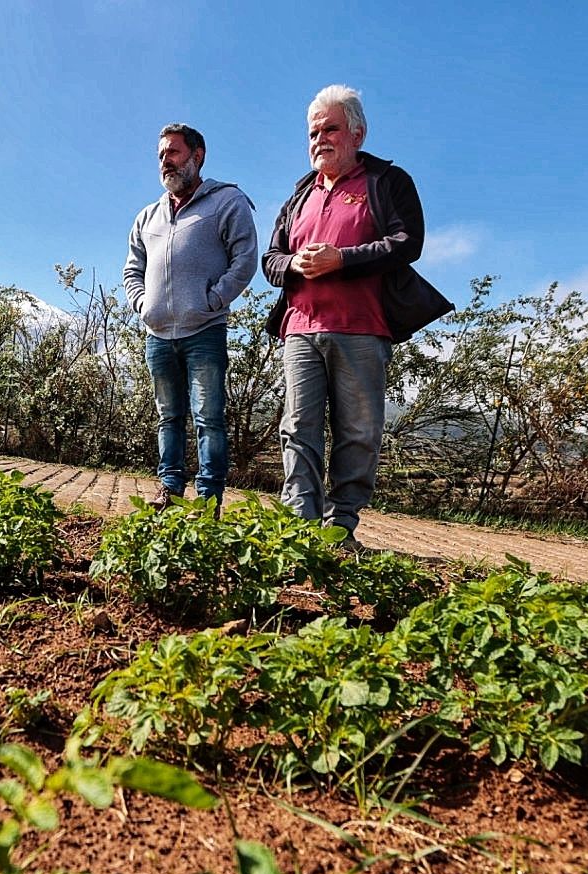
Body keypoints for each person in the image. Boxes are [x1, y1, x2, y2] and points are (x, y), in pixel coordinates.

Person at [262, 85, 452, 547]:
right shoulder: (299, 195)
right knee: (298, 428)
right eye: (313, 132)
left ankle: (340, 526)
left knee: (359, 433)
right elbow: (271, 259)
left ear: (358, 134)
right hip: (300, 328)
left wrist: (341, 260)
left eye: (331, 129)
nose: (319, 139)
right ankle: (299, 528)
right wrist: (294, 264)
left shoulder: (387, 181)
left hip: (363, 327)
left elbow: (408, 242)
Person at [124, 123, 258, 508]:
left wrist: (213, 301)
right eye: (161, 155)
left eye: (174, 153)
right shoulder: (147, 216)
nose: (165, 161)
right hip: (159, 334)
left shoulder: (226, 201)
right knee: (168, 417)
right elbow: (132, 269)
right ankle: (168, 490)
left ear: (197, 156)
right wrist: (142, 305)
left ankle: (207, 501)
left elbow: (245, 258)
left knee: (208, 418)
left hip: (204, 331)